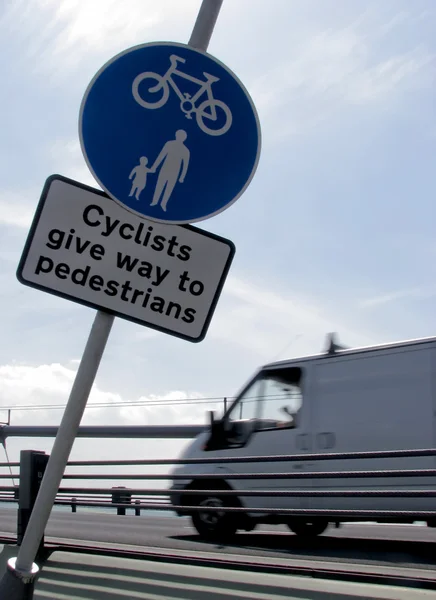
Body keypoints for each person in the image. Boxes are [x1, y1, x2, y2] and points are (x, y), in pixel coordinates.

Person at [150, 130, 190, 212]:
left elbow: (185, 165)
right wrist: (154, 167)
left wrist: (182, 177)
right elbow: (161, 156)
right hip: (165, 168)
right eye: (179, 135)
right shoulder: (169, 144)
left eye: (181, 136)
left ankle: (163, 204)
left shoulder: (185, 150)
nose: (179, 137)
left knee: (169, 188)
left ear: (184, 138)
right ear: (176, 135)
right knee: (159, 185)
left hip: (175, 172)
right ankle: (154, 201)